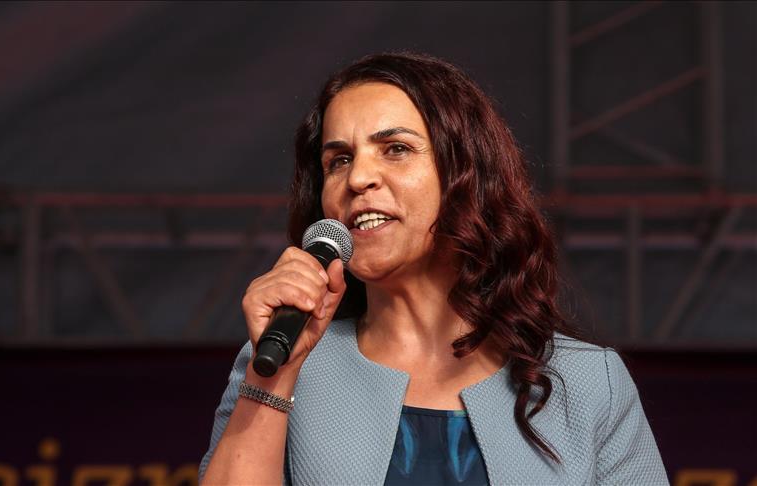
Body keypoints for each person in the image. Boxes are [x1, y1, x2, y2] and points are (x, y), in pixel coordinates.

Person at [199, 52, 667, 485]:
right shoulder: (277, 360)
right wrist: (274, 376)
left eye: (395, 149)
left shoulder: (589, 382)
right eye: (338, 160)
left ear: (467, 174)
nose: (357, 178)